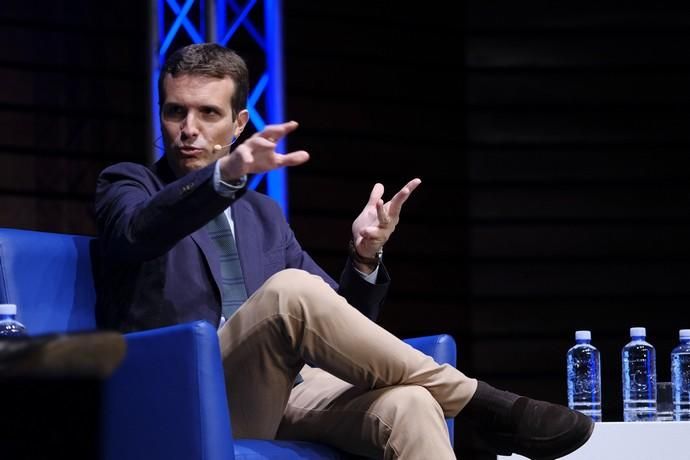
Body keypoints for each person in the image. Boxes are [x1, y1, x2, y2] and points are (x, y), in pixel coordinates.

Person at [94, 43, 593, 459]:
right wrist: (222, 178)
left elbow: (335, 321)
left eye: (208, 113)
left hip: (284, 394)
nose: (188, 129)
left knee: (412, 403)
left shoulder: (263, 216)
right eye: (175, 110)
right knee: (290, 290)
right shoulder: (129, 184)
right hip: (186, 393)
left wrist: (364, 257)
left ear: (239, 123)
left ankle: (463, 402)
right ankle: (484, 404)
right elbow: (136, 233)